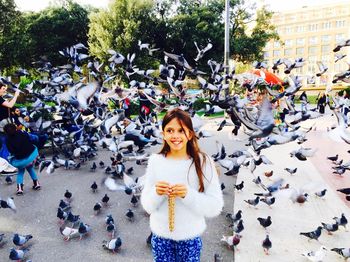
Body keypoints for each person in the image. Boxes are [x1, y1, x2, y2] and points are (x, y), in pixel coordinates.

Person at [141, 108, 223, 262]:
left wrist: (188, 195)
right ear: (163, 134)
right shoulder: (155, 161)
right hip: (161, 237)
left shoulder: (204, 162)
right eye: (170, 130)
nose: (175, 136)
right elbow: (147, 206)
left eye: (181, 130)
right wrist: (156, 193)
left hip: (189, 238)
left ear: (190, 134)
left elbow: (215, 206)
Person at [3, 123, 40, 195]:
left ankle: (20, 189)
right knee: (30, 168)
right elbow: (32, 138)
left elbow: (11, 151)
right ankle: (37, 184)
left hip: (20, 159)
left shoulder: (7, 140)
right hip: (31, 155)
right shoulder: (21, 132)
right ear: (15, 128)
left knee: (20, 171)